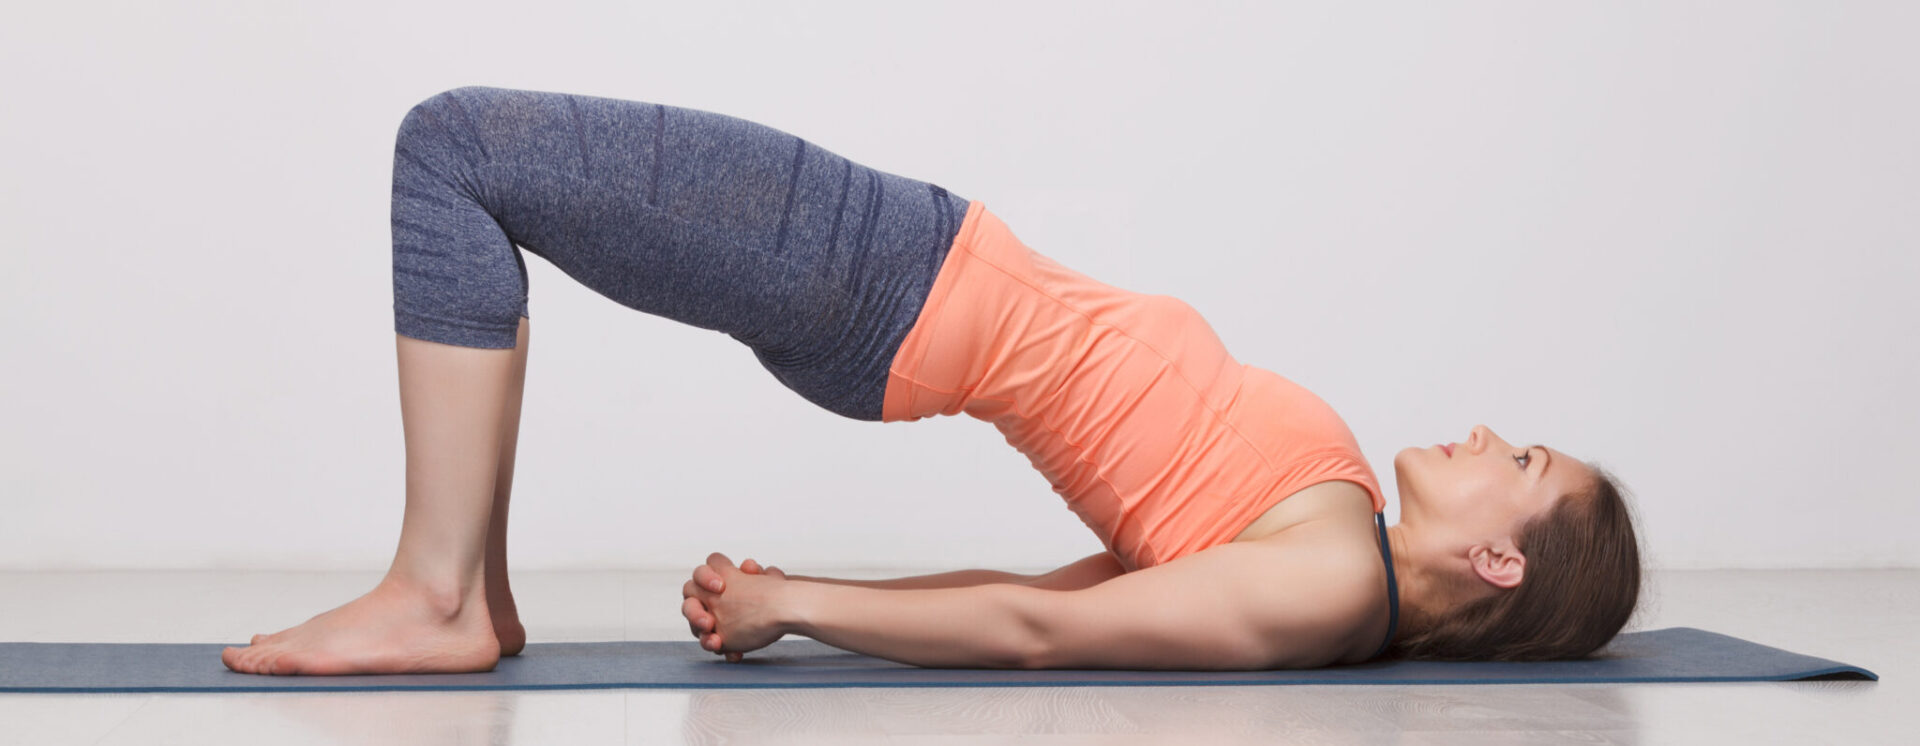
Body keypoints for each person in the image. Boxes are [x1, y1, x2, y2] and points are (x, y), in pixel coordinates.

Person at [221, 87, 1642, 675]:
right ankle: (475, 588)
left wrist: (795, 607)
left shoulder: (1324, 587)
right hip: (894, 262)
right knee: (472, 160)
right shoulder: (1330, 536)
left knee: (454, 152)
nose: (1487, 435)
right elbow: (1071, 587)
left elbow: (1037, 630)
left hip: (874, 277)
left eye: (1522, 462)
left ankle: (442, 589)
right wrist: (809, 596)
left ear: (1503, 560)